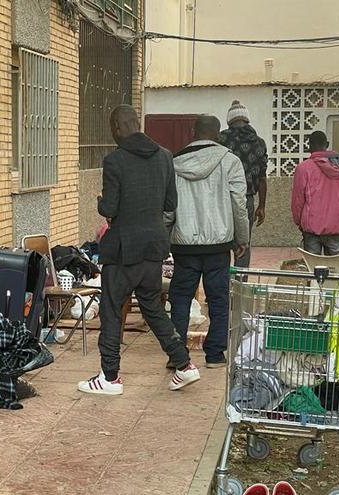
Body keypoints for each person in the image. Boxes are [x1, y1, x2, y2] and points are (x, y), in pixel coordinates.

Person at [77, 104, 200, 395]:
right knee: (153, 307)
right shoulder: (165, 157)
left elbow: (110, 208)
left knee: (110, 310)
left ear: (118, 128)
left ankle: (109, 378)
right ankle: (184, 365)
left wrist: (100, 202)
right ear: (137, 124)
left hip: (123, 250)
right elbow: (170, 204)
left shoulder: (115, 161)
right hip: (154, 247)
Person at [167, 115, 249, 368]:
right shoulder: (230, 162)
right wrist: (242, 237)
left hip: (183, 245)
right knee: (219, 299)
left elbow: (168, 208)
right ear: (218, 134)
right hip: (218, 245)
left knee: (180, 298)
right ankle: (214, 354)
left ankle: (177, 355)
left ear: (194, 132)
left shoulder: (174, 163)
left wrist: (165, 234)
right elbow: (239, 203)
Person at [219, 100, 268, 269]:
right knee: (243, 245)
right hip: (246, 200)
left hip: (221, 201)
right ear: (246, 119)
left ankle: (221, 287)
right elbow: (262, 178)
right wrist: (261, 206)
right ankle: (239, 288)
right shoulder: (259, 143)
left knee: (221, 245)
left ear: (229, 120)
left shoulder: (220, 139)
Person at [291, 131, 339, 256]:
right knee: (336, 269)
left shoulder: (303, 168)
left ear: (309, 146)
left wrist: (299, 221)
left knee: (314, 270)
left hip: (312, 227)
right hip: (336, 224)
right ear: (327, 144)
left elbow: (298, 200)